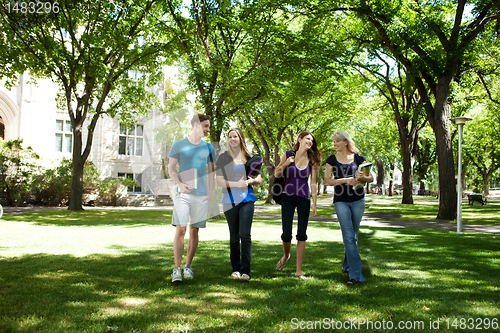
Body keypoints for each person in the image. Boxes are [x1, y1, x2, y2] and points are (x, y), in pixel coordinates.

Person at [168, 114, 216, 282]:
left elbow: (211, 172)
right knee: (181, 229)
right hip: (183, 194)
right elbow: (171, 169)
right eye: (206, 126)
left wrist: (210, 194)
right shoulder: (178, 145)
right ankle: (177, 269)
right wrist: (179, 185)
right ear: (196, 125)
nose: (208, 129)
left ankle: (188, 267)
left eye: (208, 126)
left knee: (194, 230)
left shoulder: (209, 148)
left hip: (201, 196)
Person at [324, 131, 374, 285]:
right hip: (341, 201)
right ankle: (356, 274)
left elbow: (371, 178)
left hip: (358, 200)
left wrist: (361, 178)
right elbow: (327, 181)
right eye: (334, 142)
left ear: (346, 142)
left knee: (354, 236)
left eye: (337, 141)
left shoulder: (359, 158)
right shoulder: (331, 160)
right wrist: (345, 180)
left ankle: (347, 265)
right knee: (348, 236)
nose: (335, 144)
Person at [216, 128, 263, 282]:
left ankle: (246, 271)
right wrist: (235, 184)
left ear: (240, 138)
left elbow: (259, 179)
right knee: (234, 236)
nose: (232, 139)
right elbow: (218, 181)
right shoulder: (224, 158)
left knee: (245, 234)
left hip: (247, 200)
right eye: (230, 137)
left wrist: (251, 180)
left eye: (235, 136)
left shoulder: (250, 158)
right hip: (229, 200)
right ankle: (235, 268)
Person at [275, 131, 320, 279]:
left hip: (303, 198)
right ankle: (286, 255)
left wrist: (314, 203)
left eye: (312, 140)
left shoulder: (312, 159)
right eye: (308, 139)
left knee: (302, 234)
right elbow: (276, 173)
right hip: (287, 197)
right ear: (300, 139)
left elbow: (313, 182)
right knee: (286, 233)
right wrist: (287, 162)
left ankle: (298, 271)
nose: (310, 142)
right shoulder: (289, 153)